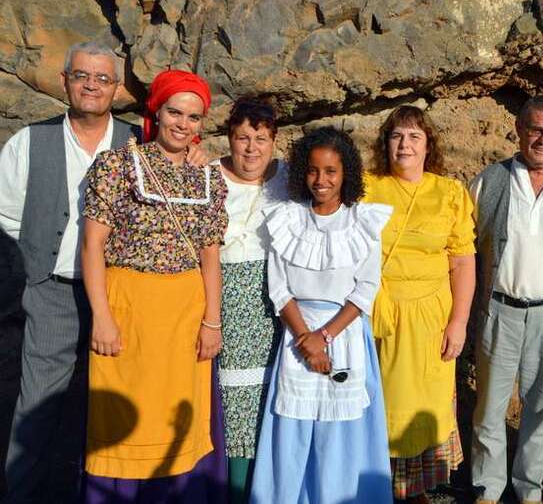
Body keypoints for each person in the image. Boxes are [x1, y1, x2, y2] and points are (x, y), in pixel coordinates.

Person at [80, 69, 228, 502]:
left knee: (176, 416)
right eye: (175, 112)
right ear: (157, 112)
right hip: (130, 308)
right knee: (124, 414)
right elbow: (92, 246)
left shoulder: (207, 177)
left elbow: (210, 256)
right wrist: (101, 317)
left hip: (185, 313)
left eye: (194, 117)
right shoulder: (117, 165)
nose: (183, 124)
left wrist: (212, 322)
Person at [0, 42, 139, 503]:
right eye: (81, 76)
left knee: (114, 409)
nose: (91, 86)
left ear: (116, 88)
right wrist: (35, 272)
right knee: (38, 409)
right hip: (51, 293)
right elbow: (7, 219)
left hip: (123, 295)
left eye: (102, 78)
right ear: (64, 82)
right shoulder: (29, 141)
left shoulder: (141, 142)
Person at [249, 126, 392, 503]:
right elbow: (280, 289)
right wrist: (306, 339)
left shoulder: (363, 222)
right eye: (313, 170)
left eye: (331, 171)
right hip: (297, 336)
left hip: (344, 334)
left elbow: (365, 289)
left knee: (338, 435)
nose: (321, 180)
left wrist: (324, 337)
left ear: (346, 173)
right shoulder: (287, 219)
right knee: (294, 431)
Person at [470, 94, 543, 504]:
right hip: (499, 310)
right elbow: (471, 244)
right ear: (520, 129)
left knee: (540, 407)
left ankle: (529, 489)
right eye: (536, 129)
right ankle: (487, 488)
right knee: (490, 407)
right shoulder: (489, 180)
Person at [363, 105, 476, 503]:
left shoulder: (450, 193)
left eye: (414, 136)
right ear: (386, 143)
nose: (405, 144)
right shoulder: (366, 187)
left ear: (429, 145)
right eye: (397, 136)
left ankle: (414, 491)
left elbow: (462, 262)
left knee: (424, 401)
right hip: (378, 312)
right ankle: (378, 485)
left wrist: (459, 322)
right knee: (382, 402)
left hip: (431, 316)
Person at [217, 95, 288, 503]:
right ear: (229, 138)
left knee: (272, 399)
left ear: (273, 141)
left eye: (260, 139)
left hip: (277, 305)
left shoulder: (290, 179)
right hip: (225, 302)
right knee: (232, 404)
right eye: (243, 138)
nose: (251, 148)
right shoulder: (207, 176)